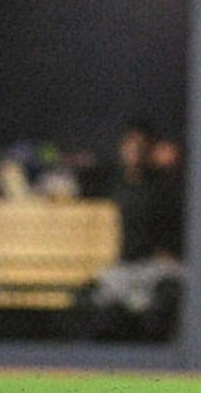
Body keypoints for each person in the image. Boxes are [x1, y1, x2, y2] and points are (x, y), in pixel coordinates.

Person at [77, 120, 184, 342]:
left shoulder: (164, 185)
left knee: (162, 301)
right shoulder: (117, 182)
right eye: (130, 146)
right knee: (89, 300)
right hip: (125, 269)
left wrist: (172, 166)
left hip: (159, 269)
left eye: (141, 147)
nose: (135, 152)